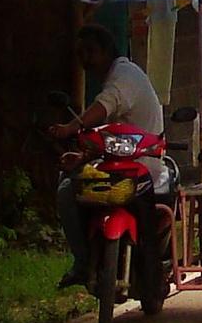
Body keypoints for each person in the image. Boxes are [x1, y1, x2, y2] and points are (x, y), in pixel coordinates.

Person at [49, 23, 166, 286]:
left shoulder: (124, 75)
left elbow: (105, 104)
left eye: (90, 52)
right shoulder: (117, 77)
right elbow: (109, 139)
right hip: (118, 163)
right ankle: (86, 259)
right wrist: (82, 157)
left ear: (106, 51)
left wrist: (71, 127)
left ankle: (85, 263)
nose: (85, 60)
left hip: (141, 166)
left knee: (68, 190)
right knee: (68, 184)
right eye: (81, 54)